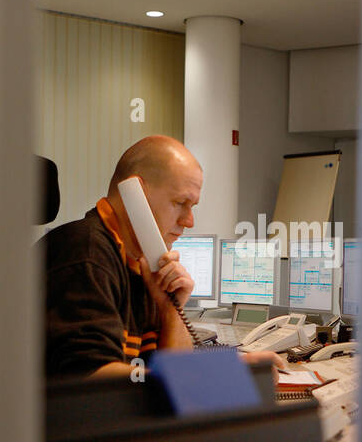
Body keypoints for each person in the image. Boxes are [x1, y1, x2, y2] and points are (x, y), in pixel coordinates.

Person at [44, 136, 285, 378]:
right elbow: (90, 379)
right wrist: (208, 375)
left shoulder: (141, 264)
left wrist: (171, 308)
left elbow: (169, 376)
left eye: (193, 207)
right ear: (134, 194)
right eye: (181, 202)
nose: (189, 221)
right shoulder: (86, 253)